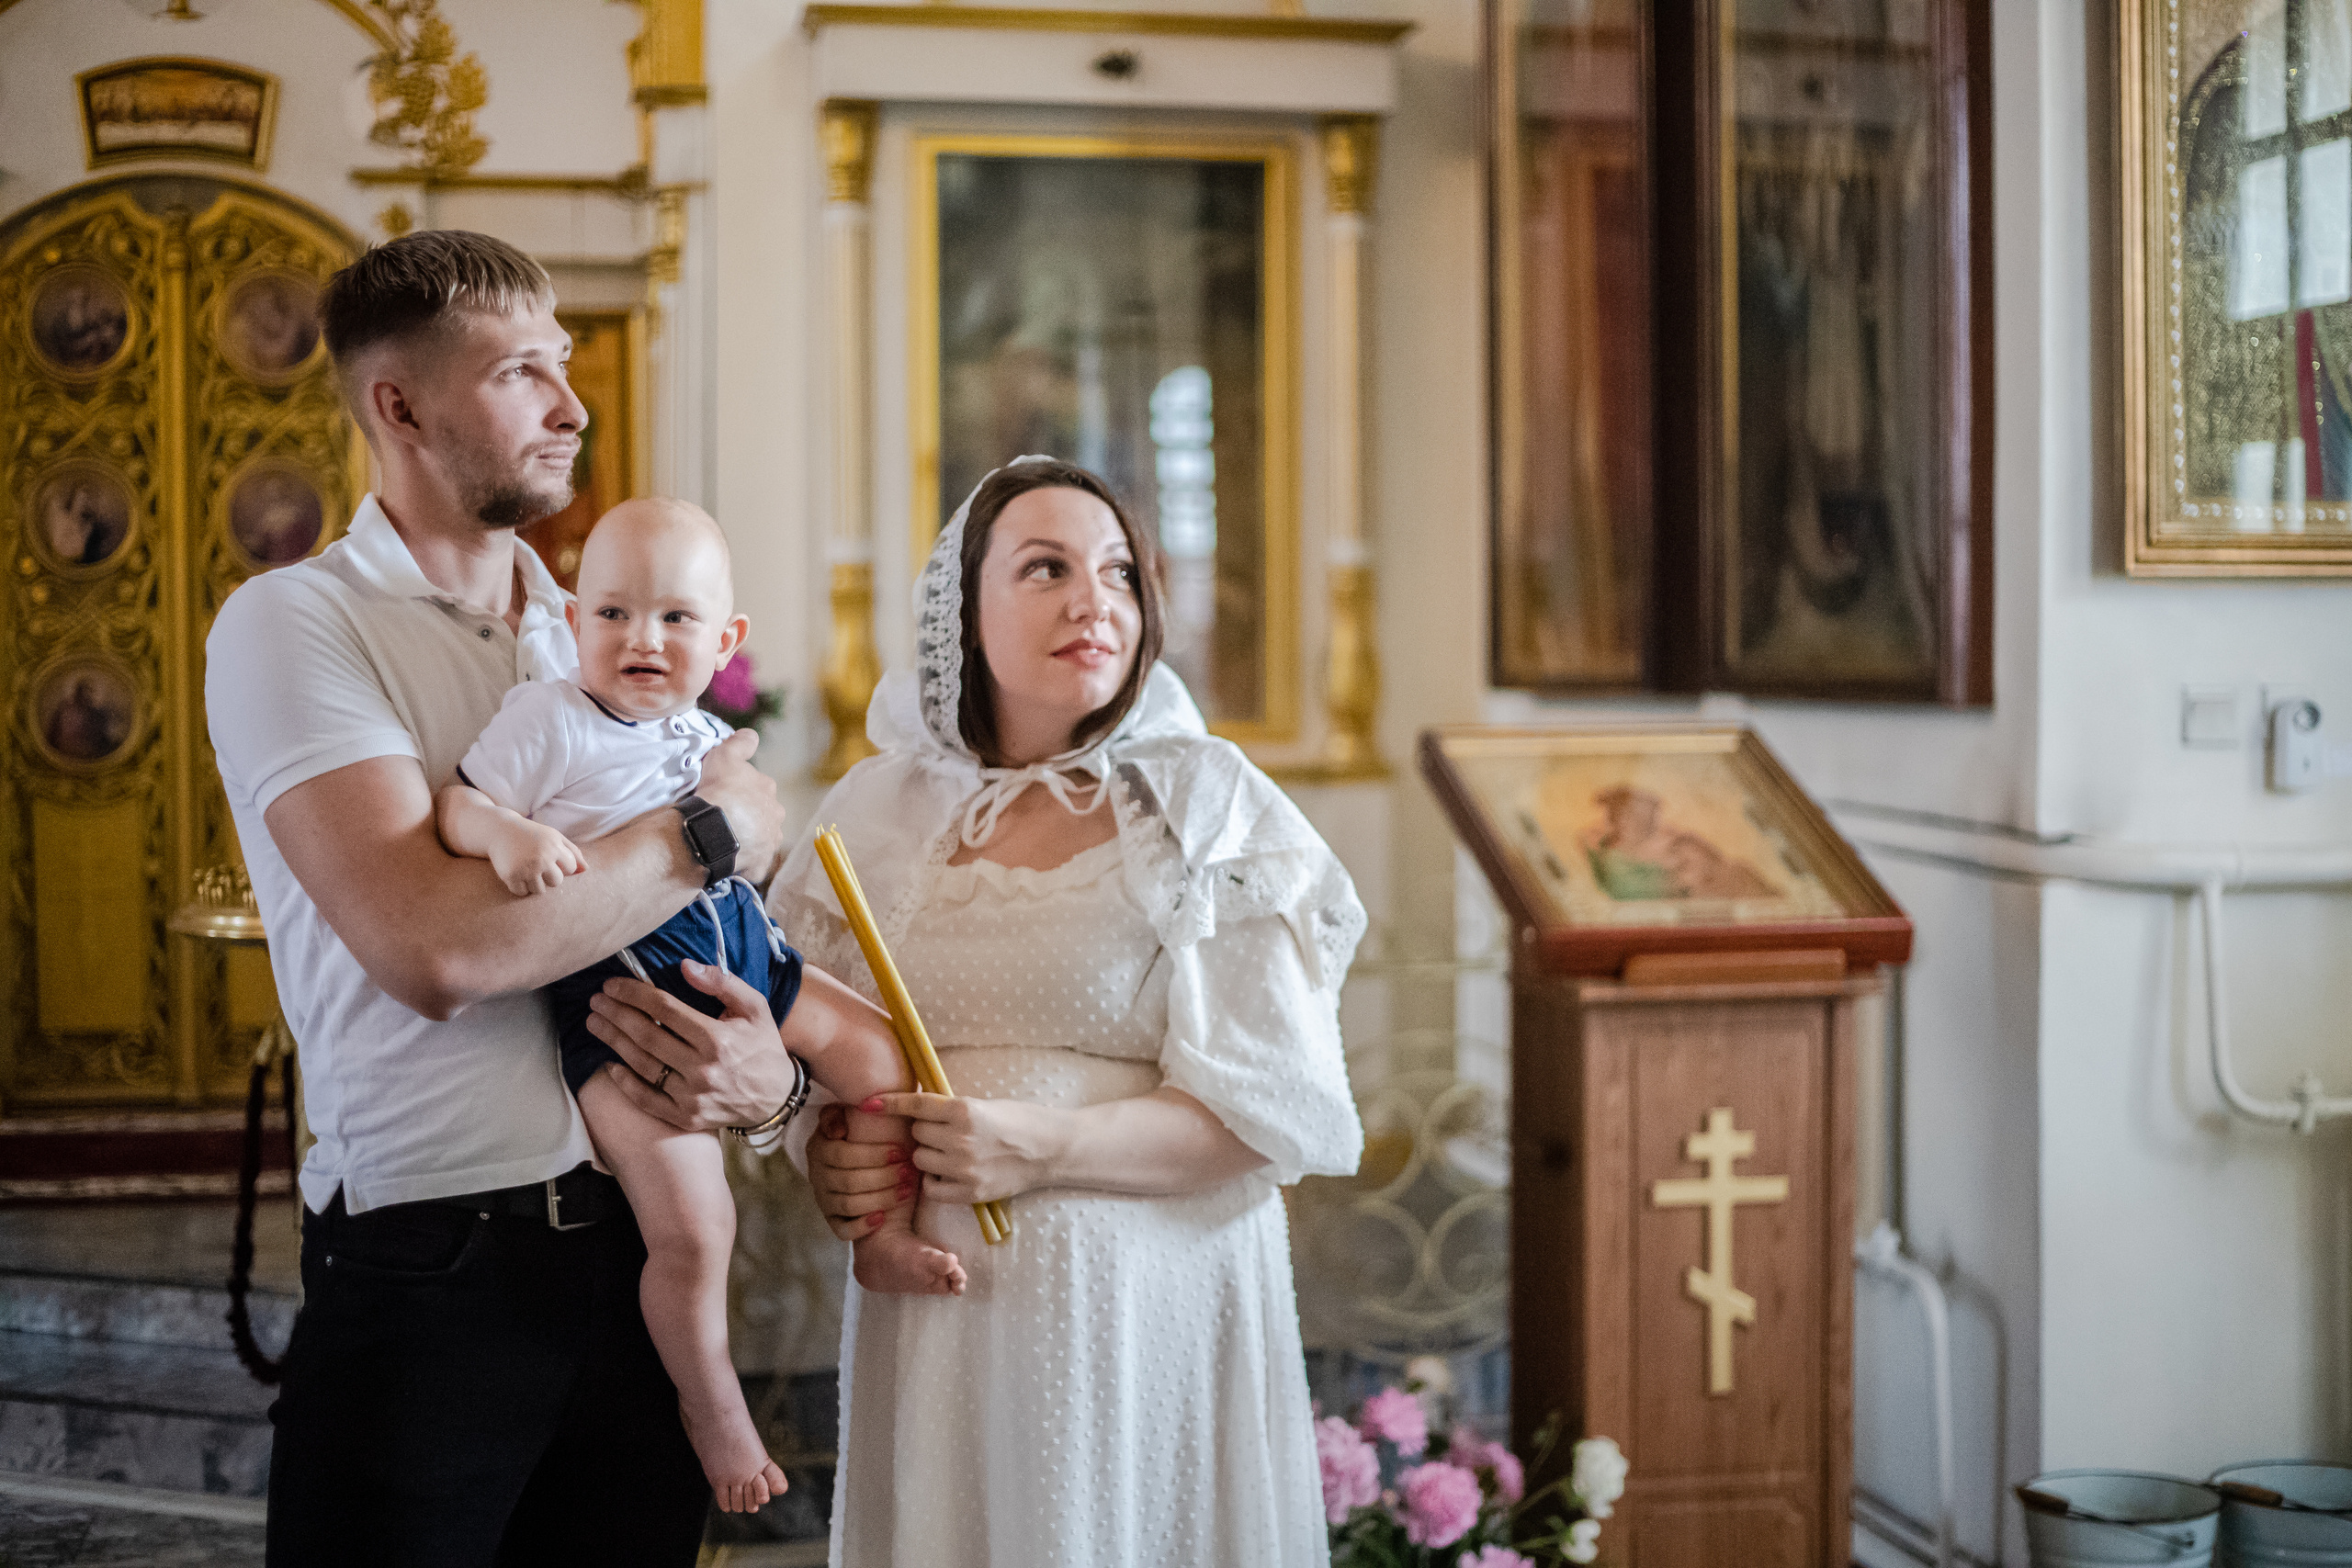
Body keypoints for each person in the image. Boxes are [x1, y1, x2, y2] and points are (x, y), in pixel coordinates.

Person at [203, 230, 802, 1567]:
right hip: (433, 1268)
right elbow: (440, 947)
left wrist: (773, 1080)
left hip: (639, 1253)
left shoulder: (608, 624)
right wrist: (711, 831)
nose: (573, 406)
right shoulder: (298, 624)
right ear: (399, 405)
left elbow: (743, 939)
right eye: (523, 371)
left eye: (567, 365)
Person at [765, 456, 1366, 1567]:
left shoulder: (1209, 805)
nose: (1095, 602)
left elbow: (1271, 1108)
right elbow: (810, 1051)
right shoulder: (874, 811)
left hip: (1153, 1313)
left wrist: (1044, 1146)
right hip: (940, 1328)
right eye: (1045, 569)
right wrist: (829, 1153)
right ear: (962, 613)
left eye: (1121, 575)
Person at [432, 496, 965, 1510]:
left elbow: (744, 857)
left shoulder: (706, 732)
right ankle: (711, 1402)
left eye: (676, 620)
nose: (642, 639)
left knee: (881, 1057)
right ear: (573, 622)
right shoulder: (548, 719)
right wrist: (508, 838)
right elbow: (458, 804)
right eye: (614, 614)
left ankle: (880, 1236)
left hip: (748, 960)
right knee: (694, 1225)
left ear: (726, 642)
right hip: (627, 1000)